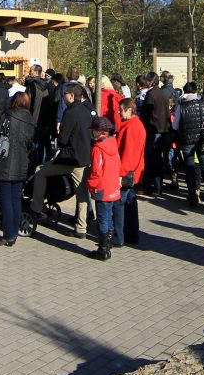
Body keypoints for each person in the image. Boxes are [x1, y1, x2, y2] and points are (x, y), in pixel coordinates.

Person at [30, 84, 94, 238]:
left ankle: (36, 208)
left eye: (65, 94)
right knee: (82, 194)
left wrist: (58, 138)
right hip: (84, 158)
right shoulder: (86, 111)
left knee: (40, 173)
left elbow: (63, 139)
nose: (63, 96)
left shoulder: (70, 113)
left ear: (71, 96)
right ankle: (81, 227)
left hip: (68, 158)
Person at [0, 91, 35, 247]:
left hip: (5, 160)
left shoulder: (6, 116)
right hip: (22, 161)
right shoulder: (30, 119)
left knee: (6, 200)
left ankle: (8, 235)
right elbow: (30, 142)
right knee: (16, 199)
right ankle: (14, 232)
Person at [171, 81, 204, 208]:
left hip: (187, 141)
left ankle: (193, 197)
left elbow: (175, 125)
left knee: (190, 170)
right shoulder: (203, 103)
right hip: (202, 140)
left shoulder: (181, 106)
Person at [86, 117, 122, 261]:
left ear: (98, 131)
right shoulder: (113, 143)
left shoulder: (97, 148)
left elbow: (96, 171)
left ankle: (103, 250)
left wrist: (91, 185)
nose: (92, 133)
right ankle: (108, 245)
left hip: (102, 187)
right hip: (112, 186)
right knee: (108, 217)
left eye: (93, 131)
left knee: (102, 219)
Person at [114, 98, 146, 246]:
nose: (119, 112)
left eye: (121, 109)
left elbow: (128, 153)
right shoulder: (135, 125)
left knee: (119, 204)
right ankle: (132, 235)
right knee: (130, 204)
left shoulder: (131, 127)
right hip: (134, 171)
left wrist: (121, 173)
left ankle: (119, 237)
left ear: (129, 110)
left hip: (128, 172)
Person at [140, 73, 171, 195]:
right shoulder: (163, 93)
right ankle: (158, 187)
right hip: (163, 130)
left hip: (153, 130)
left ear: (151, 81)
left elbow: (146, 113)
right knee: (158, 159)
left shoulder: (151, 94)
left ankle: (148, 186)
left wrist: (144, 125)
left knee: (150, 159)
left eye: (147, 80)